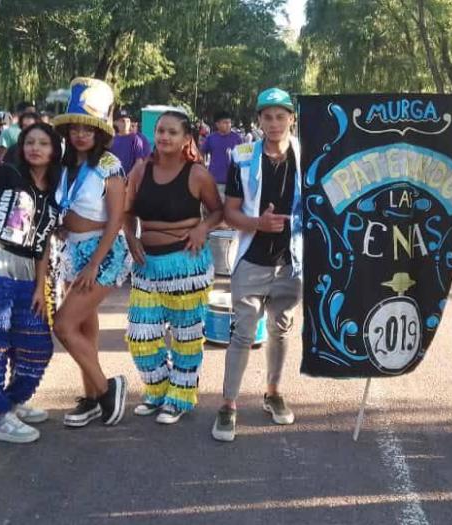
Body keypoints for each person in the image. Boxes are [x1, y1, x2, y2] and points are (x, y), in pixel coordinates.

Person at [211, 88, 303, 442]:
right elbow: (229, 212)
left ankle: (273, 392)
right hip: (251, 259)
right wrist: (257, 224)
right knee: (243, 333)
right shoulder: (243, 156)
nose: (275, 123)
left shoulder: (307, 157)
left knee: (281, 331)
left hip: (291, 263)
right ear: (259, 120)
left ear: (291, 119)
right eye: (268, 117)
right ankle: (228, 404)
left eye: (281, 116)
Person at [0, 122, 62, 443]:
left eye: (43, 143)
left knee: (38, 345)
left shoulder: (55, 189)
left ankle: (12, 402)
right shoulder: (5, 174)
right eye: (29, 141)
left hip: (27, 273)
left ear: (54, 150)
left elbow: (45, 244)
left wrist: (40, 288)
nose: (35, 148)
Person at [123, 111, 222, 424]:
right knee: (140, 336)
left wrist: (202, 229)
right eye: (161, 131)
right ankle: (158, 389)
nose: (164, 137)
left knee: (187, 336)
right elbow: (126, 212)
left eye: (172, 132)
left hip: (187, 264)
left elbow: (217, 211)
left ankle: (180, 396)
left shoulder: (197, 174)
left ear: (186, 139)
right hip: (147, 264)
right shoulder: (140, 169)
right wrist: (131, 238)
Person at [50, 78, 130, 428]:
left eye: (88, 129)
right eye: (75, 128)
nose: (81, 135)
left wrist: (95, 263)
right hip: (72, 251)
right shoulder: (65, 166)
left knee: (64, 325)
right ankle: (92, 399)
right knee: (84, 327)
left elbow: (116, 220)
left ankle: (107, 387)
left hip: (103, 253)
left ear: (100, 133)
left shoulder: (110, 165)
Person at [200, 111, 243, 196]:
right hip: (214, 180)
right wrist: (203, 167)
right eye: (225, 123)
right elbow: (201, 152)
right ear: (217, 124)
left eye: (229, 122)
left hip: (233, 181)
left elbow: (243, 157)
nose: (228, 125)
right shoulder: (211, 138)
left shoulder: (237, 138)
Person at [109, 108, 150, 174]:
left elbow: (139, 161)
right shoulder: (111, 139)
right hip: (114, 179)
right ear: (115, 123)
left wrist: (130, 176)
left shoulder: (135, 139)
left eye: (128, 121)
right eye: (122, 121)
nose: (125, 123)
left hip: (130, 180)